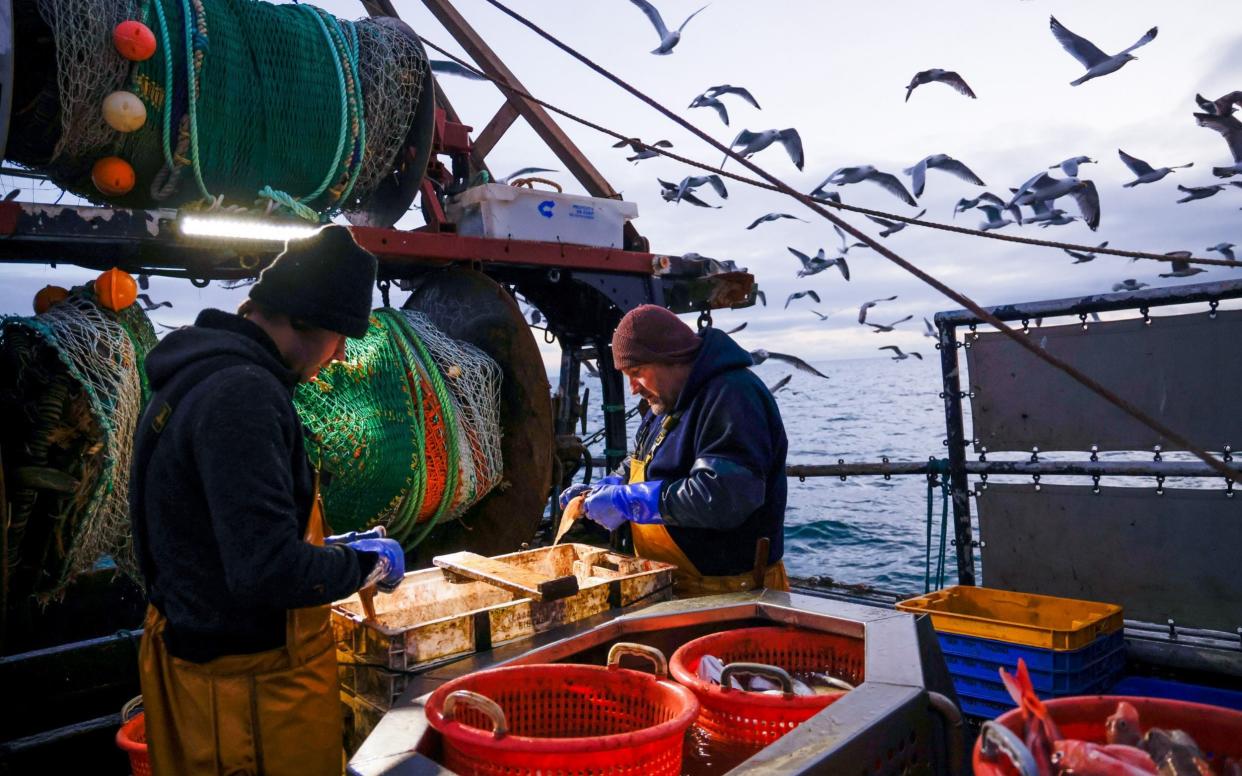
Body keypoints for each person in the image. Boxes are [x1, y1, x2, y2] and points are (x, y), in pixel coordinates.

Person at [129, 225, 406, 775]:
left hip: (203, 674)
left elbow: (224, 533)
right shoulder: (245, 396)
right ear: (306, 320)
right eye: (340, 335)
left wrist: (329, 548)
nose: (341, 353)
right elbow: (266, 570)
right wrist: (364, 564)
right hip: (244, 703)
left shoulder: (195, 375)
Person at [561, 304, 789, 596]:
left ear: (670, 357)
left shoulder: (733, 395)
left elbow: (722, 496)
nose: (632, 388)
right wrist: (611, 484)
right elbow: (641, 459)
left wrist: (628, 501)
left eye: (636, 372)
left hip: (733, 592)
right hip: (673, 584)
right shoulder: (665, 403)